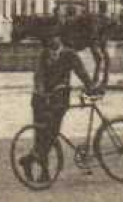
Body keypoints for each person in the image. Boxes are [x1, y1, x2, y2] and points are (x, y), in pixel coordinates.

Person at [19, 30, 100, 185]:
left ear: (59, 38)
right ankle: (42, 171)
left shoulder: (69, 54)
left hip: (59, 100)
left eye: (53, 37)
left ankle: (30, 161)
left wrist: (91, 87)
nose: (51, 41)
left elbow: (81, 72)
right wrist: (41, 91)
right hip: (41, 100)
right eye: (48, 39)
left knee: (51, 135)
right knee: (42, 136)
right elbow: (39, 75)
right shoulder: (44, 55)